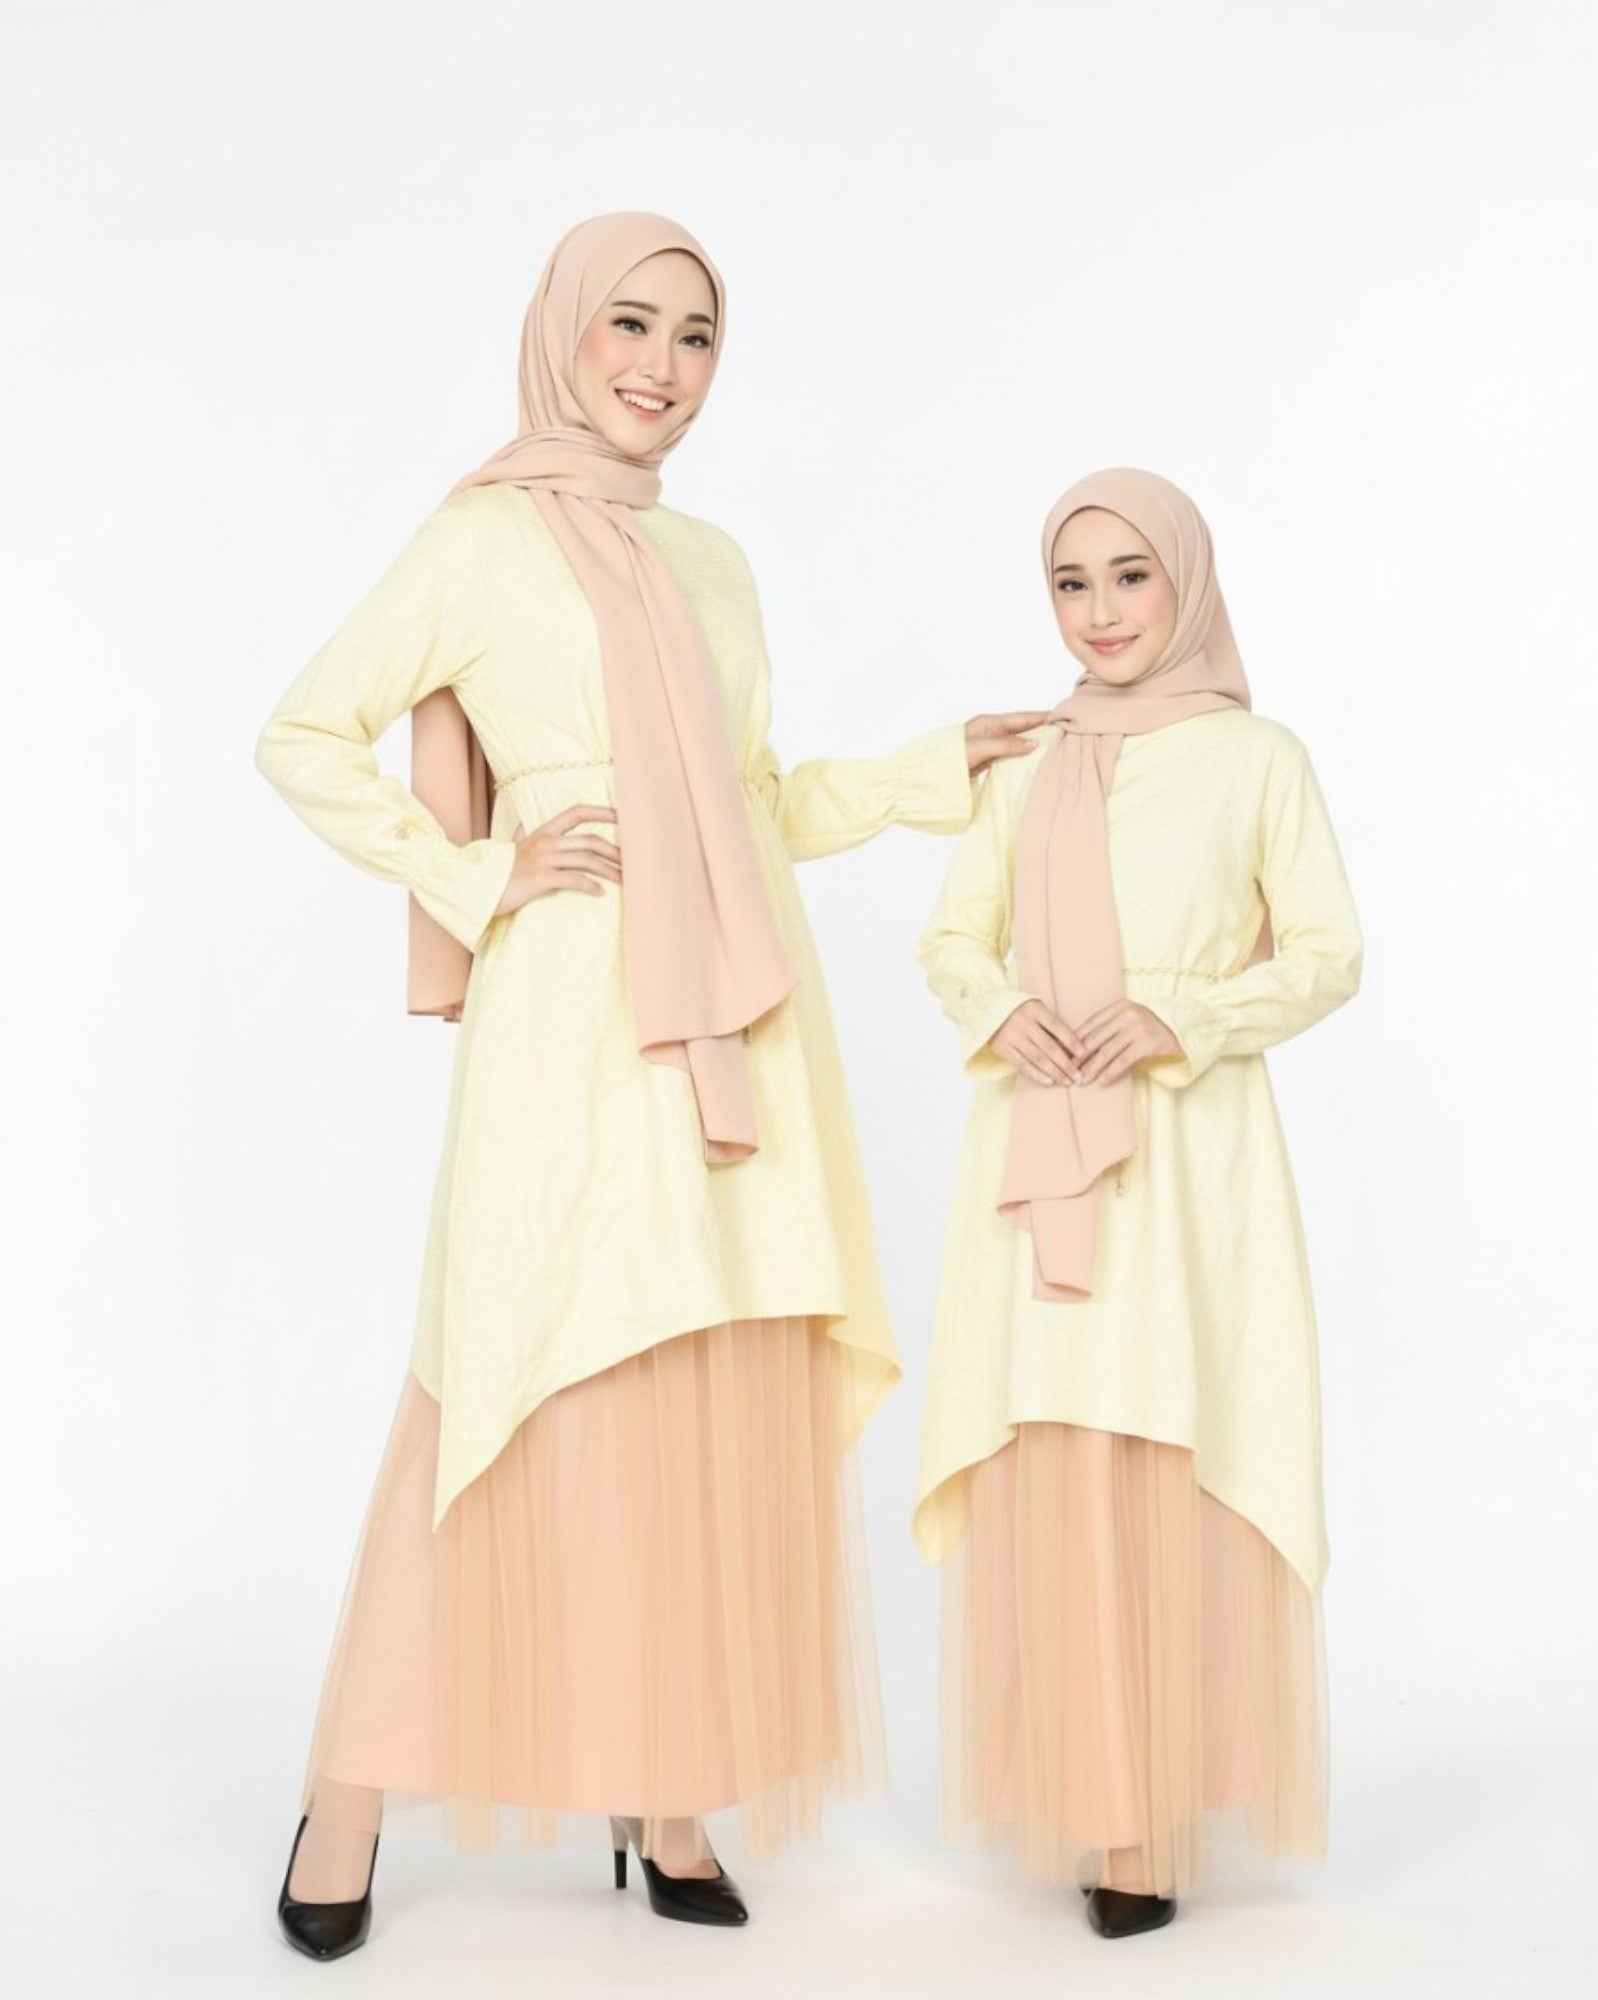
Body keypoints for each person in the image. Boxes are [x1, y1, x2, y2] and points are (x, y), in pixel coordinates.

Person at [254, 210, 1047, 1957]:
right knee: (502, 1382)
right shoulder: (479, 540)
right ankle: (349, 1792)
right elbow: (301, 732)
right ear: (563, 330)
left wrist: (936, 768)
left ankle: (663, 1787)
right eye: (630, 323)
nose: (662, 368)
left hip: (740, 1031)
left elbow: (752, 803)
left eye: (697, 338)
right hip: (574, 1020)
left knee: (695, 1395)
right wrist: (482, 874)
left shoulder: (715, 564)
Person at [911, 467, 1362, 1939]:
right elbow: (951, 939)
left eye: (1130, 576)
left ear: (1187, 583)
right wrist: (1003, 1012)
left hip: (1185, 1153)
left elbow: (1329, 952)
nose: (1100, 613)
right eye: (1071, 583)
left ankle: (1157, 1812)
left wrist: (1185, 1017)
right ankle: (1096, 1797)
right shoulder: (1029, 765)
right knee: (1065, 1451)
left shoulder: (1257, 758)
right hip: (1039, 1141)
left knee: (1175, 1434)